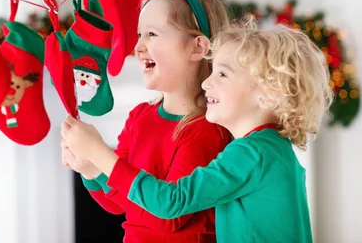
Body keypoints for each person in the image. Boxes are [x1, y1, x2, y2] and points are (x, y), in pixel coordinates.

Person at [62, 22, 332, 243]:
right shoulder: (271, 148)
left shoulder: (251, 153)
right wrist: (91, 167)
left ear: (266, 93)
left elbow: (172, 202)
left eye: (222, 75)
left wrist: (100, 153)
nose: (206, 82)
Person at [62, 0, 232, 242]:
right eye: (140, 34)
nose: (138, 47)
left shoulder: (207, 128)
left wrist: (99, 153)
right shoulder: (140, 116)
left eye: (152, 34)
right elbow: (119, 203)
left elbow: (167, 219)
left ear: (197, 48)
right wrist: (90, 169)